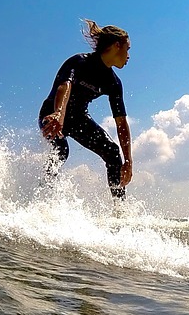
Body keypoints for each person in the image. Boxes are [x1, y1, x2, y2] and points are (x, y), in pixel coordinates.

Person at [39, 20, 133, 198]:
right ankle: (43, 194)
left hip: (78, 119)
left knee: (112, 152)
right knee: (61, 150)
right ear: (116, 45)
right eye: (127, 49)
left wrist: (128, 160)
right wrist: (58, 113)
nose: (128, 56)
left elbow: (121, 122)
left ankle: (120, 211)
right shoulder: (79, 62)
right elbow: (64, 86)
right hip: (52, 113)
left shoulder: (113, 83)